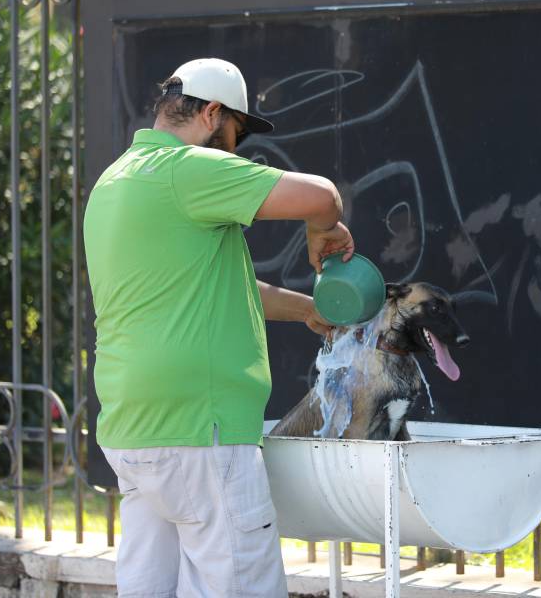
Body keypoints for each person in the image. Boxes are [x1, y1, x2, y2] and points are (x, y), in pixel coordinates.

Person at [83, 57, 355, 597]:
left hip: (134, 432)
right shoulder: (187, 169)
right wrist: (321, 231)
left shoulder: (115, 181)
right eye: (236, 135)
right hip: (200, 433)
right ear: (211, 113)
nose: (236, 153)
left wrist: (305, 309)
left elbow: (216, 286)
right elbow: (322, 197)